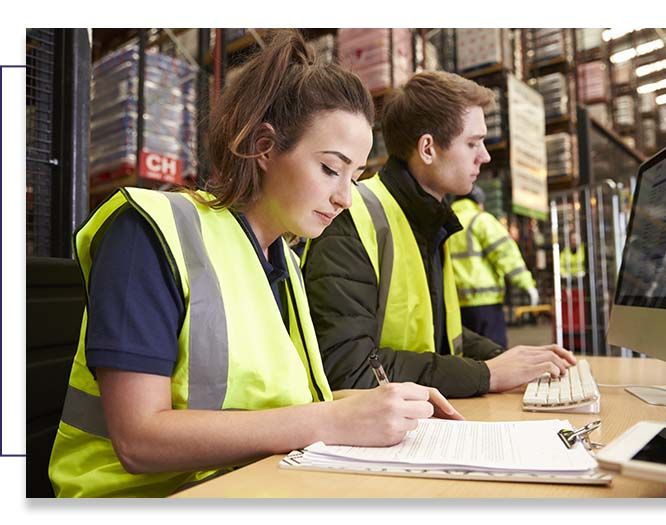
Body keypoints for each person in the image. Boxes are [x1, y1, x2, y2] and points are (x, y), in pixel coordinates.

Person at [48, 31, 462, 498]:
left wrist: (380, 403)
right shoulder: (149, 231)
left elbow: (283, 407)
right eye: (330, 168)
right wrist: (330, 418)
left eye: (356, 176)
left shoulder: (282, 259)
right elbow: (139, 440)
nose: (346, 198)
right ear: (264, 147)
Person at [303, 71, 576, 399]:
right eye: (473, 143)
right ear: (428, 148)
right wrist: (486, 374)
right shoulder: (351, 218)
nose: (485, 156)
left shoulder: (430, 222)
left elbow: (442, 338)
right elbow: (348, 368)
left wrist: (508, 359)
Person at [448, 184, 539, 348]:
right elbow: (505, 254)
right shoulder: (481, 220)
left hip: (454, 304)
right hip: (485, 302)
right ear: (478, 202)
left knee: (465, 355)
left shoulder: (445, 222)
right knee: (493, 352)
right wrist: (526, 284)